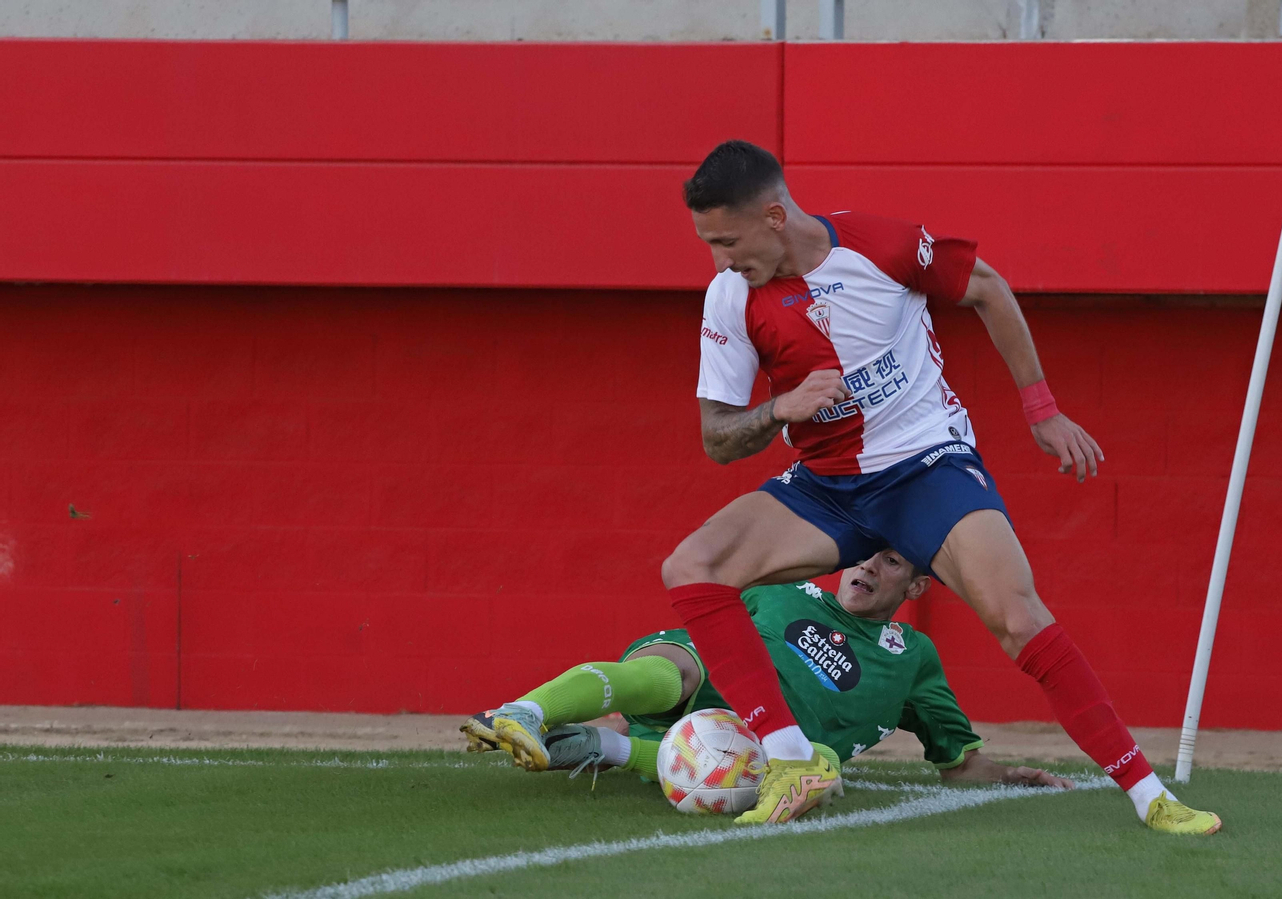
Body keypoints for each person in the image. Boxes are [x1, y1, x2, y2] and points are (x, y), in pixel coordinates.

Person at [658, 140, 1221, 832]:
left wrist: (1040, 408)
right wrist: (780, 408)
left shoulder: (878, 245)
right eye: (709, 244)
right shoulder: (730, 297)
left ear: (774, 215)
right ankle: (790, 757)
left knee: (1018, 618)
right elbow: (717, 436)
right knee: (692, 566)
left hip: (928, 467)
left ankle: (1150, 796)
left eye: (726, 240)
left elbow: (986, 287)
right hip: (828, 486)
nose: (719, 260)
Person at [462, 550, 1068, 792]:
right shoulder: (789, 585)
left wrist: (1015, 774)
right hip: (700, 673)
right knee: (673, 672)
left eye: (887, 561)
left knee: (815, 769)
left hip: (754, 745)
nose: (866, 566)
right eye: (861, 552)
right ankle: (523, 713)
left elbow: (958, 764)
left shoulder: (913, 656)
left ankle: (605, 747)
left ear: (914, 585)